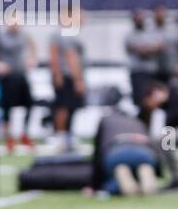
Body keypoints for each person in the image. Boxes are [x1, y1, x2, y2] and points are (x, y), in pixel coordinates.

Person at [90, 109, 160, 196]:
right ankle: (145, 174)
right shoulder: (137, 121)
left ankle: (121, 177)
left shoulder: (105, 121)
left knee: (113, 180)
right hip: (144, 153)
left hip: (117, 152)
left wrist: (95, 185)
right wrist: (157, 170)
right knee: (144, 166)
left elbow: (98, 152)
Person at [0, 12, 37, 152]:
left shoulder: (24, 35)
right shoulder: (1, 37)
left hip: (21, 75)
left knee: (29, 105)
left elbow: (33, 46)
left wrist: (32, 59)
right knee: (7, 108)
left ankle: (24, 134)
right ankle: (9, 138)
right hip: (8, 77)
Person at [49, 16, 85, 151]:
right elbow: (69, 57)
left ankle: (67, 136)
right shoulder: (64, 35)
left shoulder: (71, 34)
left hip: (69, 76)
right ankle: (60, 137)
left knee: (71, 108)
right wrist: (77, 79)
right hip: (67, 76)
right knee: (63, 108)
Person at [125, 8, 167, 112]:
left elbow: (160, 47)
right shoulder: (130, 35)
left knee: (154, 100)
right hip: (138, 72)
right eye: (137, 18)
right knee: (140, 100)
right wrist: (149, 48)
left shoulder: (152, 33)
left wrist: (147, 48)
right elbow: (139, 50)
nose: (140, 20)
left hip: (152, 71)